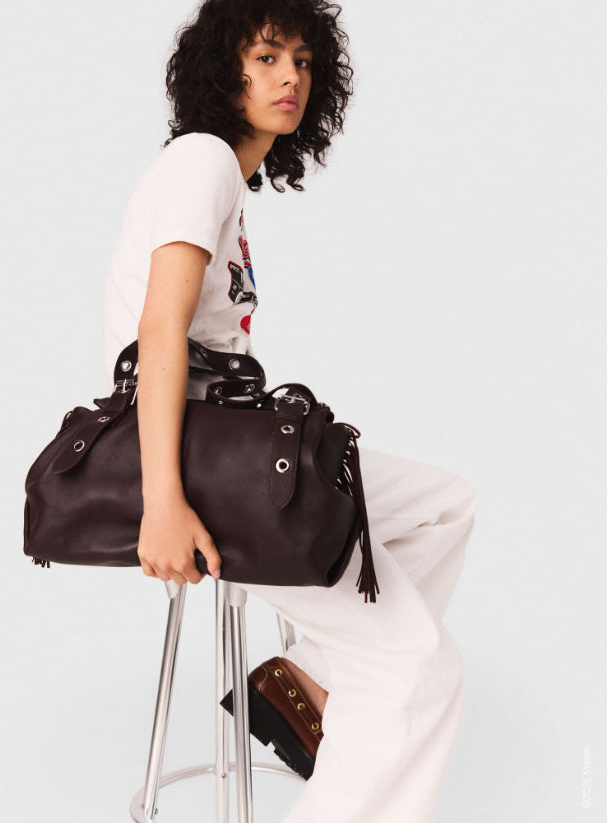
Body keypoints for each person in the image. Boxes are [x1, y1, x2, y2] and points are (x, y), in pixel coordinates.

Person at [101, 2, 479, 821]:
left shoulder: (223, 180)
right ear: (222, 68)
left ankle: (302, 681)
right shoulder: (201, 162)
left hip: (221, 447)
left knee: (444, 503)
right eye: (268, 56)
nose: (290, 77)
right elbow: (157, 332)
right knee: (417, 671)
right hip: (197, 467)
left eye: (303, 62)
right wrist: (163, 502)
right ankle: (350, 700)